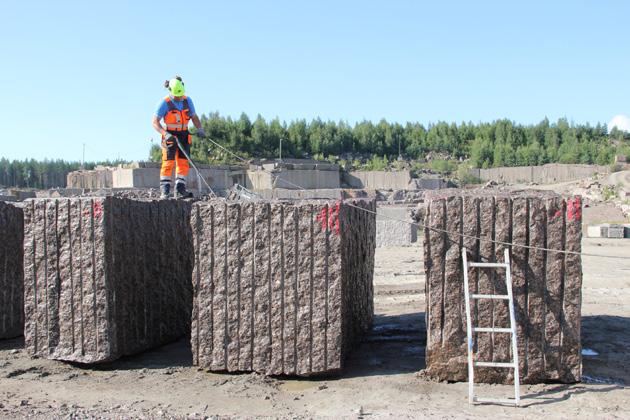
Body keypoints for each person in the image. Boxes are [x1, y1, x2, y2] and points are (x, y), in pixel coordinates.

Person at [152, 76, 206, 199]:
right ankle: (165, 191)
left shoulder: (187, 101)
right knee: (168, 163)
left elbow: (194, 117)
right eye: (177, 96)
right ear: (170, 91)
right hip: (169, 135)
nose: (179, 98)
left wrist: (200, 129)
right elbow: (155, 122)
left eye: (181, 95)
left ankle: (180, 189)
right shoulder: (164, 103)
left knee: (183, 163)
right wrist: (165, 134)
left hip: (184, 135)